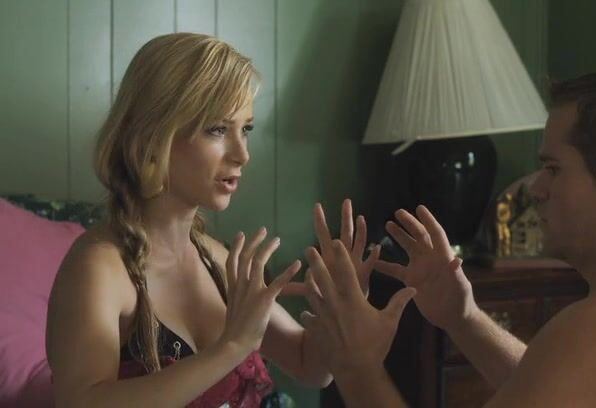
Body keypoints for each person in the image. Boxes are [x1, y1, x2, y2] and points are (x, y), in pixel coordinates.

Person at [300, 68, 596, 407]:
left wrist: (356, 366)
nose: (535, 188)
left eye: (553, 169)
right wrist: (462, 317)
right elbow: (553, 387)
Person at [46, 33, 370, 407]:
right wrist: (232, 347)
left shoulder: (216, 260)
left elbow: (309, 365)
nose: (242, 154)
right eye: (217, 129)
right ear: (154, 136)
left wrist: (340, 309)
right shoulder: (99, 267)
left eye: (245, 129)